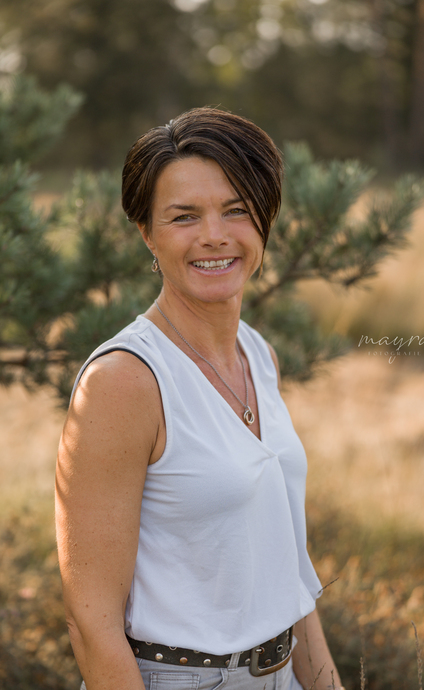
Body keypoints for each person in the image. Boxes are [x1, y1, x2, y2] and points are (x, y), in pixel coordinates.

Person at [56, 107, 344, 690]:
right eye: (184, 216)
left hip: (283, 673)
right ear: (147, 234)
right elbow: (92, 625)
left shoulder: (259, 355)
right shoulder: (124, 381)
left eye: (237, 210)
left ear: (265, 220)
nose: (215, 235)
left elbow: (288, 575)